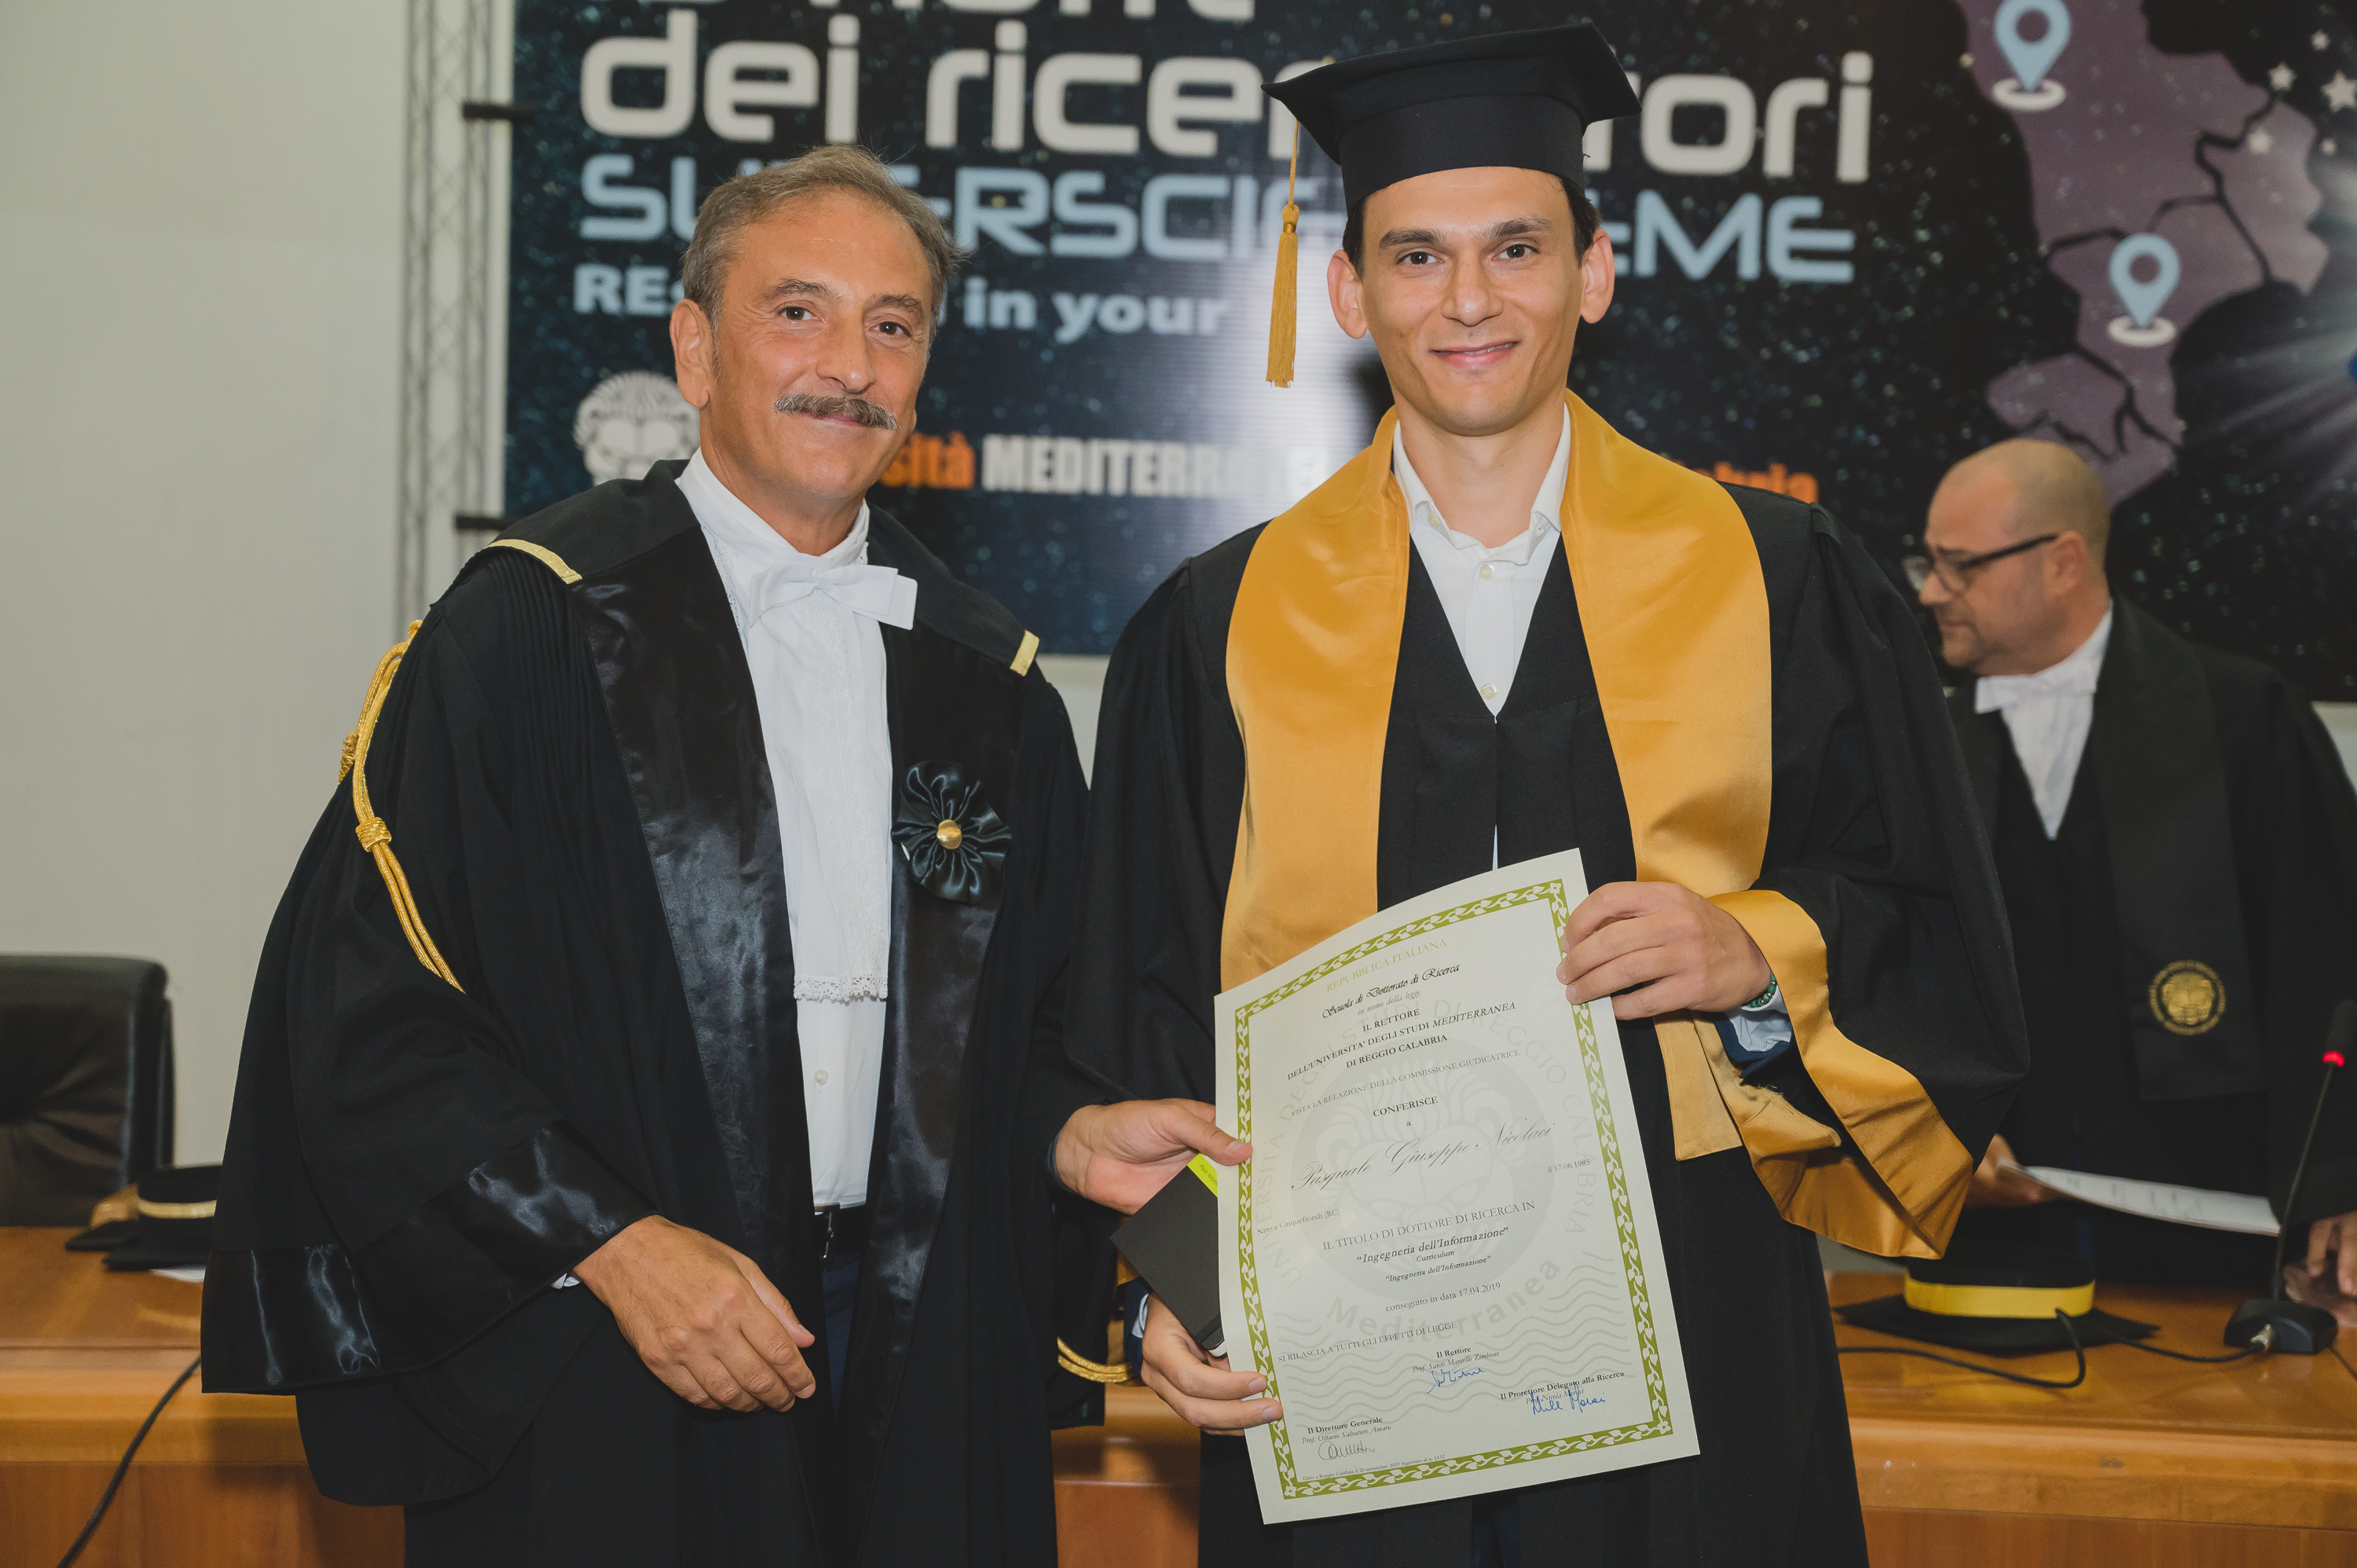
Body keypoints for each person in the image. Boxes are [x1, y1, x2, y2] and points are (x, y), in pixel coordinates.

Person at [1049, 26, 2029, 1568]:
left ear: (1597, 272)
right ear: (1349, 293)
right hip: (1343, 1349)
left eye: (1516, 247)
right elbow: (1139, 1020)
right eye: (1416, 255)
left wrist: (1757, 951)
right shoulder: (1220, 628)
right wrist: (1180, 1281)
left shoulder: (1779, 585)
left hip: (1692, 1332)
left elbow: (1943, 933)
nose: (1469, 299)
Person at [200, 146, 1114, 1566]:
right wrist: (611, 1243)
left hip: (924, 1336)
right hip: (612, 1335)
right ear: (695, 347)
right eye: (798, 313)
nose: (850, 367)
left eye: (893, 325)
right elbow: (372, 1017)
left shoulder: (988, 678)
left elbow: (1033, 1028)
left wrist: (1073, 1128)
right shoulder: (532, 630)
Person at [1919, 438, 2357, 1302]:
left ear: (2063, 562)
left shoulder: (2245, 719)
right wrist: (1932, 1130)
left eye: (1959, 566)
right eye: (1928, 563)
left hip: (2217, 1228)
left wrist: (2342, 1179)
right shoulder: (1923, 747)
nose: (1931, 591)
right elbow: (1883, 970)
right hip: (1993, 1243)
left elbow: (2328, 957)